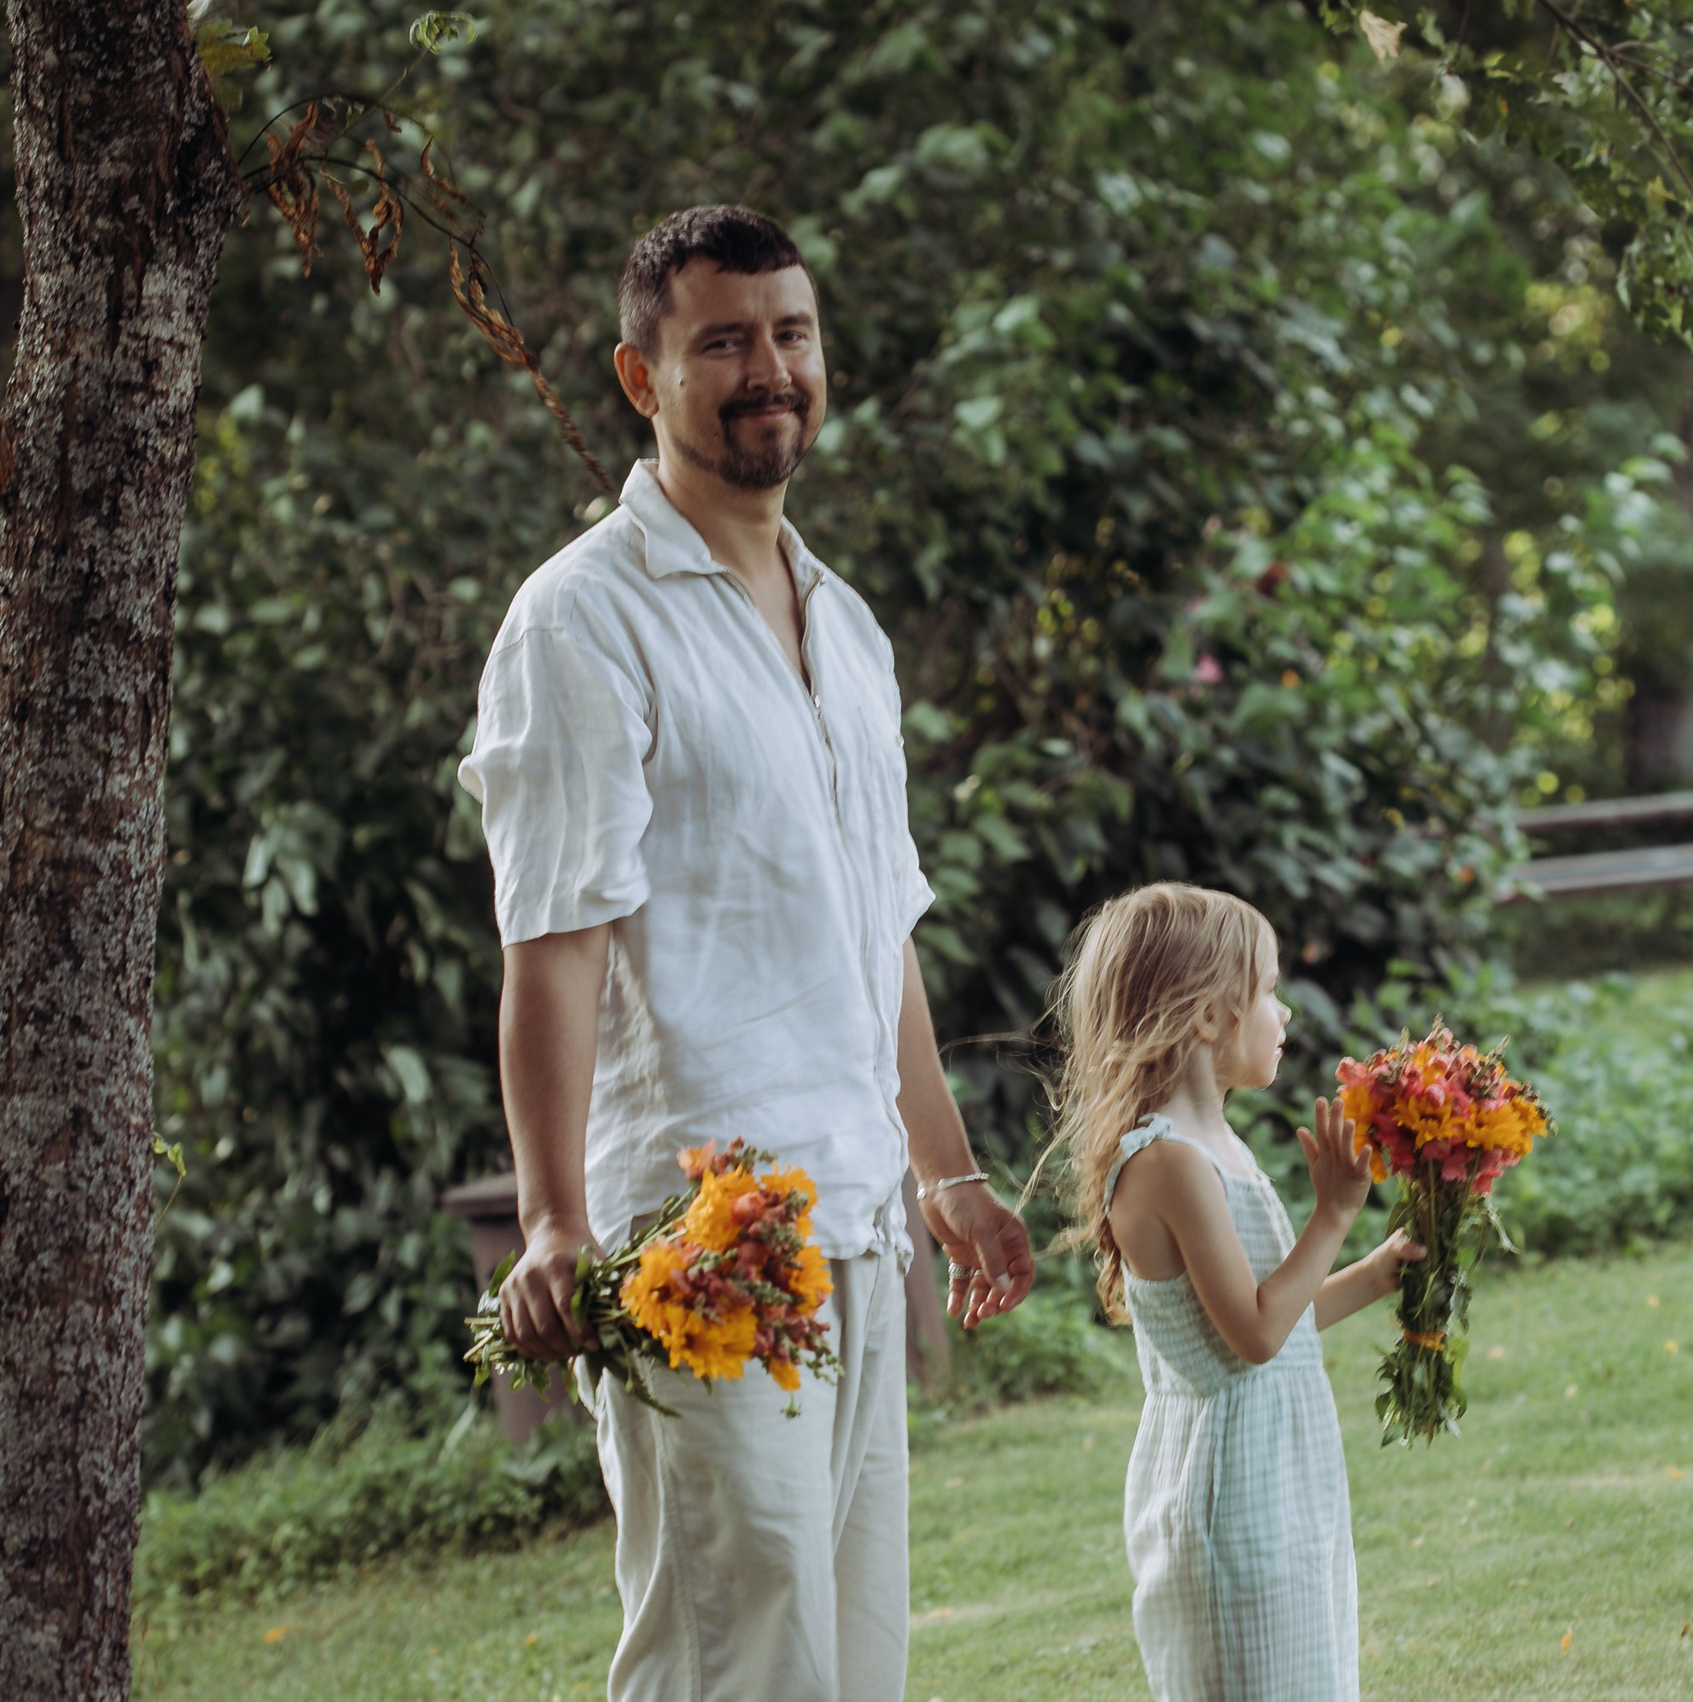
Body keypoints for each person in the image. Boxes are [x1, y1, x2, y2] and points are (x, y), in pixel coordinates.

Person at [457, 204, 1034, 1702]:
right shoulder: (580, 620)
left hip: (851, 1212)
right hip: (698, 1237)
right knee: (733, 1638)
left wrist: (948, 1169)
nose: (769, 368)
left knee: (847, 1650)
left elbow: (878, 924)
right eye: (724, 340)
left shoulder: (845, 624)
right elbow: (552, 939)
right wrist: (552, 1218)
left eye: (791, 333)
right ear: (641, 377)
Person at [1039, 882, 1424, 1701]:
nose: (1283, 1013)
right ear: (1209, 1015)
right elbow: (1252, 1336)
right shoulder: (1170, 1160)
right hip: (1230, 1492)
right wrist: (1335, 1215)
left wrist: (1377, 1270)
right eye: (1271, 990)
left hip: (1279, 1469)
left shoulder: (1216, 1142)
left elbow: (1268, 1324)